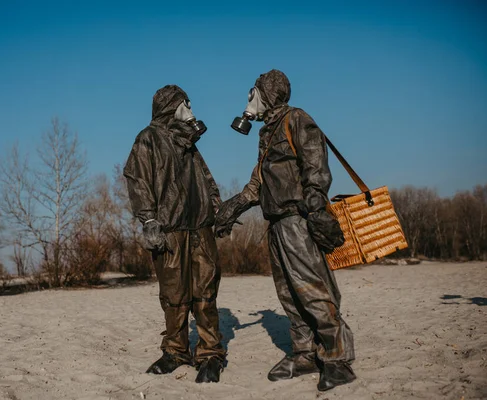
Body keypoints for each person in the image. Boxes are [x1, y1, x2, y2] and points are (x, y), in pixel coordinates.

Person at [216, 69, 356, 391]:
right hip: (276, 223)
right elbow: (258, 183)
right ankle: (305, 353)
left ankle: (336, 358)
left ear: (265, 92)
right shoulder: (269, 131)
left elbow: (315, 165)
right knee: (289, 294)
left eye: (253, 93)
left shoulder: (296, 119)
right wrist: (231, 208)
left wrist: (317, 207)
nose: (249, 99)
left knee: (311, 288)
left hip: (297, 220)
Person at [123, 85, 226, 383]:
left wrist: (218, 210)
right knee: (174, 295)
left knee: (205, 293)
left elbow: (206, 179)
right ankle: (176, 351)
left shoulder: (189, 143)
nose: (192, 109)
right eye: (186, 104)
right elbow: (137, 179)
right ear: (172, 106)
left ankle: (210, 354)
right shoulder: (148, 139)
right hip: (169, 231)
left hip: (200, 228)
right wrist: (149, 220)